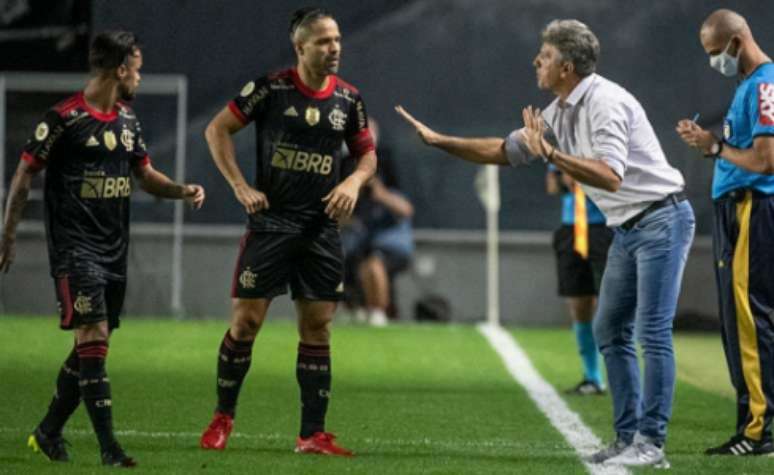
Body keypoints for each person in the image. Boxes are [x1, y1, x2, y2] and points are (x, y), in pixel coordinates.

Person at [396, 19, 695, 468]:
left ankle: (651, 443)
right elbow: (504, 150)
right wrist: (441, 141)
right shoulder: (559, 109)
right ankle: (627, 436)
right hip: (629, 229)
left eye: (546, 55)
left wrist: (552, 154)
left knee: (652, 334)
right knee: (609, 329)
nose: (537, 61)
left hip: (661, 219)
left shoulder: (604, 103)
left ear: (567, 66)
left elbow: (611, 177)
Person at [0, 31, 205, 467]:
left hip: (114, 251)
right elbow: (23, 175)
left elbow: (145, 176)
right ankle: (110, 449)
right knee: (92, 338)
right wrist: (7, 235)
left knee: (92, 346)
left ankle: (48, 431)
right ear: (120, 69)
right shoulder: (63, 119)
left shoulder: (128, 122)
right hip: (76, 251)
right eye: (138, 68)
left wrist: (182, 190)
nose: (140, 77)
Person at [199, 7, 376, 457]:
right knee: (246, 323)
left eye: (337, 39)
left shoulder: (349, 100)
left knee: (318, 330)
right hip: (271, 226)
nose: (334, 47)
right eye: (323, 41)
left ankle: (311, 434)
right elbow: (217, 129)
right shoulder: (269, 89)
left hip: (320, 231)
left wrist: (352, 181)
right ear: (301, 47)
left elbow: (366, 156)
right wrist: (240, 186)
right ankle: (223, 417)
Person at [676, 8, 774, 456]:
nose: (714, 61)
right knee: (740, 324)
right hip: (735, 212)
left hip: (750, 211)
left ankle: (761, 431)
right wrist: (710, 144)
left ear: (738, 41)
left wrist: (715, 147)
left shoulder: (765, 85)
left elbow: (764, 161)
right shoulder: (746, 87)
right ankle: (750, 425)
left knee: (751, 321)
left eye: (717, 52)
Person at [545, 166, 611, 395]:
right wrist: (565, 179)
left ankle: (620, 376)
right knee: (579, 304)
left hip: (605, 227)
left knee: (613, 303)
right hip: (571, 229)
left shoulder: (604, 142)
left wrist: (586, 175)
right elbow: (552, 186)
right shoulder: (561, 146)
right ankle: (592, 376)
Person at [341, 118, 414, 326]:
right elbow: (342, 218)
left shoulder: (390, 175)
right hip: (360, 242)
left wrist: (379, 193)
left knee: (374, 263)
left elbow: (406, 210)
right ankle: (355, 307)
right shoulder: (346, 169)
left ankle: (378, 311)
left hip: (390, 243)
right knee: (352, 260)